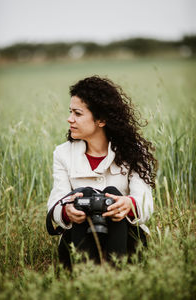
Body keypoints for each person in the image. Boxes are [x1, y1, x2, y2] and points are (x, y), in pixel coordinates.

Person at [47, 75, 157, 268]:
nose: (69, 119)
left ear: (101, 119)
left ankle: (116, 271)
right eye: (70, 112)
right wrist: (68, 211)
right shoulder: (63, 154)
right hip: (78, 239)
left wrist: (126, 205)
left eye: (77, 113)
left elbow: (146, 203)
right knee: (83, 197)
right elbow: (56, 201)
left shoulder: (134, 151)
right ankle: (85, 274)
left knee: (114, 195)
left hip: (127, 241)